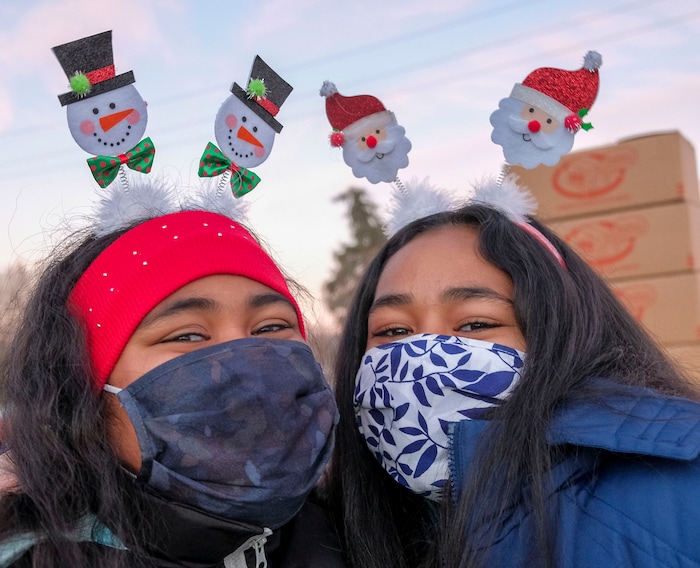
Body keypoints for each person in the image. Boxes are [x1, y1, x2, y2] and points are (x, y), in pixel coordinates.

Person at [324, 179, 700, 568]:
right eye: (393, 331)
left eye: (475, 325)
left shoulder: (678, 491)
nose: (424, 356)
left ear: (560, 332)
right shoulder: (336, 530)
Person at [0, 191, 343, 567]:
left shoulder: (358, 529)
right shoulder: (33, 556)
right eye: (187, 336)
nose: (246, 363)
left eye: (271, 326)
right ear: (87, 391)